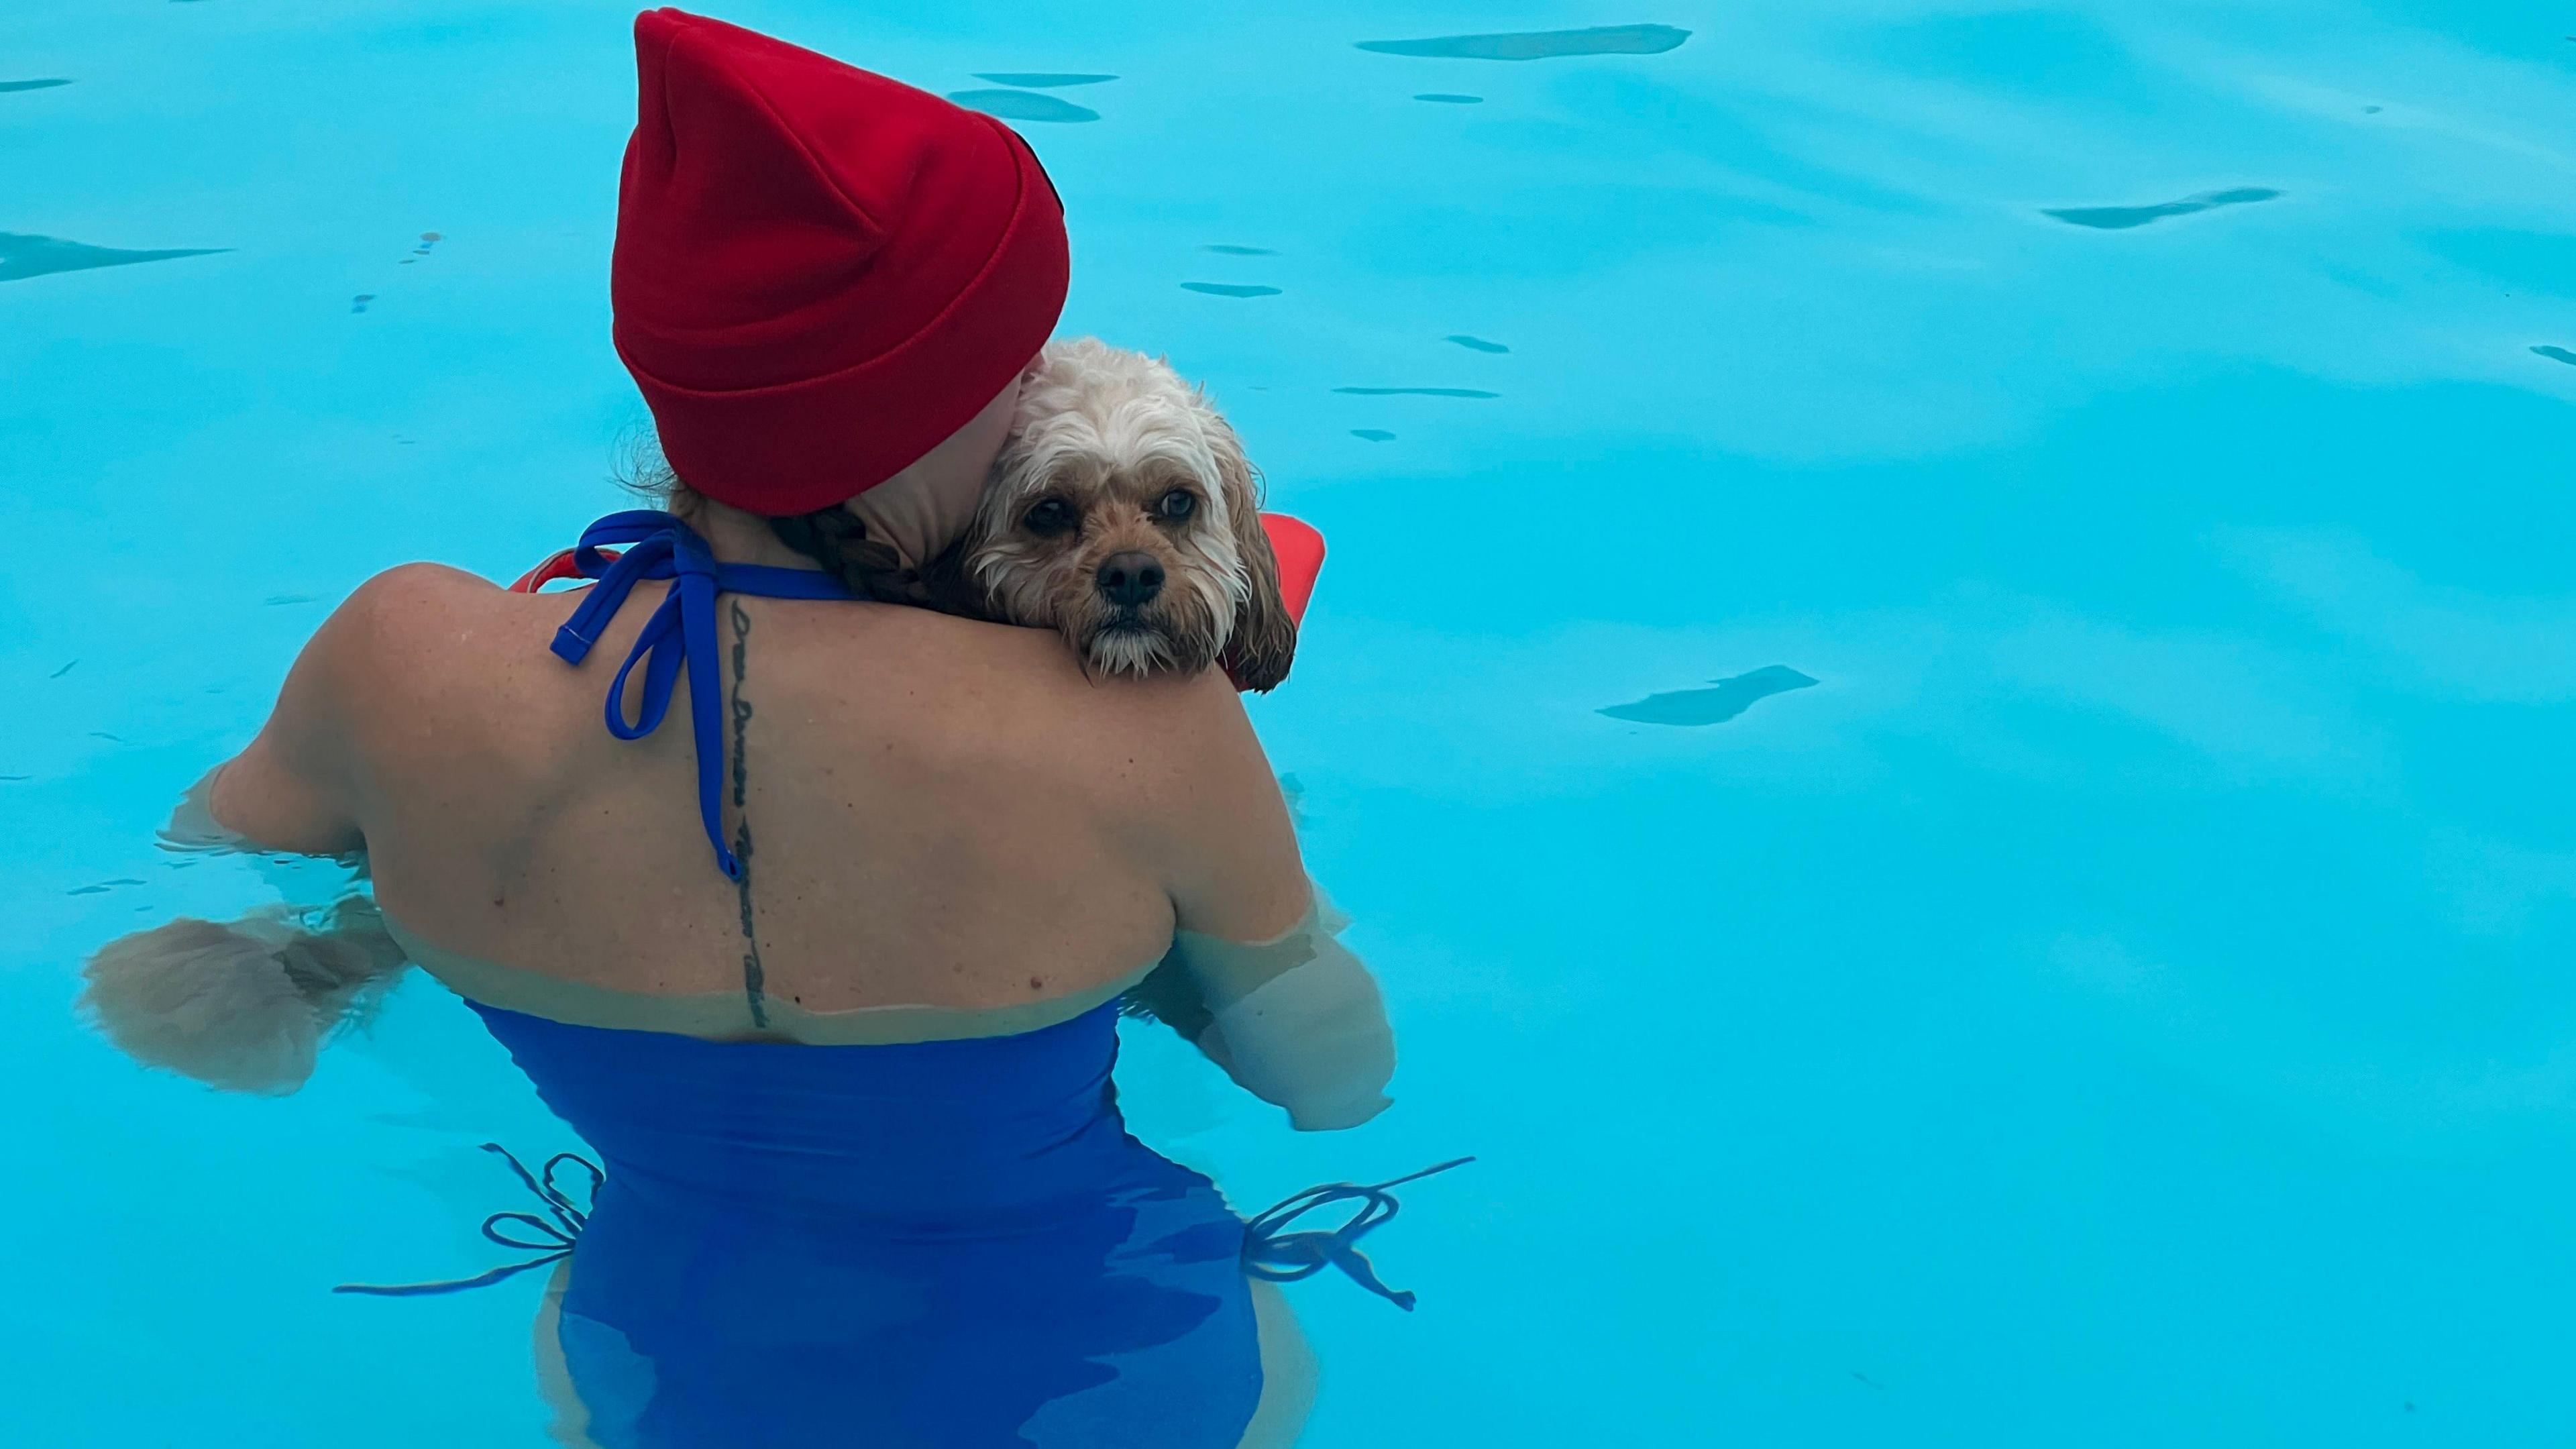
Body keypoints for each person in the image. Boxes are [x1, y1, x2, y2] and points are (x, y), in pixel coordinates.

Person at [87, 11, 1419, 1446]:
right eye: (1009, 360)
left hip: (667, 1358)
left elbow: (206, 866)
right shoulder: (1142, 735)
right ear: (926, 406)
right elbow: (1335, 1081)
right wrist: (1166, 940)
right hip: (1117, 1359)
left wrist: (368, 934)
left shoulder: (401, 662)